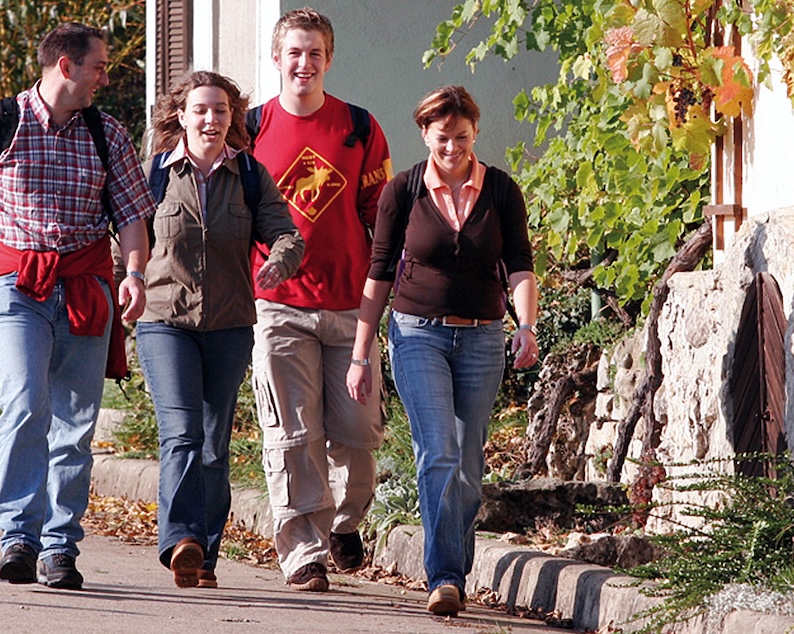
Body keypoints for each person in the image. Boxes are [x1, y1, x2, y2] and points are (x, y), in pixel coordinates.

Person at [0, 22, 155, 590]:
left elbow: (132, 217)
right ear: (65, 65)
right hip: (16, 285)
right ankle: (18, 536)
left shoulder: (108, 133)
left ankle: (59, 546)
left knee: (76, 423)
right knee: (25, 403)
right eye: (98, 67)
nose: (104, 78)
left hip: (85, 286)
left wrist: (133, 274)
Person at [345, 85, 540, 616]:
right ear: (425, 134)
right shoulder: (404, 190)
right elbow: (379, 272)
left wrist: (526, 325)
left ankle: (454, 560)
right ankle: (445, 576)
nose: (452, 147)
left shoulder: (501, 190)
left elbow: (520, 263)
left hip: (482, 336)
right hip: (417, 334)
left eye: (462, 136)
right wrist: (361, 355)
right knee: (438, 452)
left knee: (469, 463)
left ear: (475, 133)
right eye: (442, 137)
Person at [136, 70, 304, 589]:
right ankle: (180, 540)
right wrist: (125, 284)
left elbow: (287, 234)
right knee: (182, 433)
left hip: (230, 324)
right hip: (165, 321)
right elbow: (127, 240)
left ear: (233, 117)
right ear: (181, 116)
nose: (211, 119)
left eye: (221, 110)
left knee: (213, 444)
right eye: (201, 110)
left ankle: (204, 555)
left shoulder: (249, 174)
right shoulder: (154, 174)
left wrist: (279, 260)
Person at [247, 7, 392, 592]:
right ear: (276, 58)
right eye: (294, 52)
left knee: (358, 432)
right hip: (278, 305)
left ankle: (344, 522)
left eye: (314, 53)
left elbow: (381, 219)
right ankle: (302, 551)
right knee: (292, 434)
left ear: (329, 59)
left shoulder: (359, 126)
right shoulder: (251, 129)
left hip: (350, 307)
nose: (303, 63)